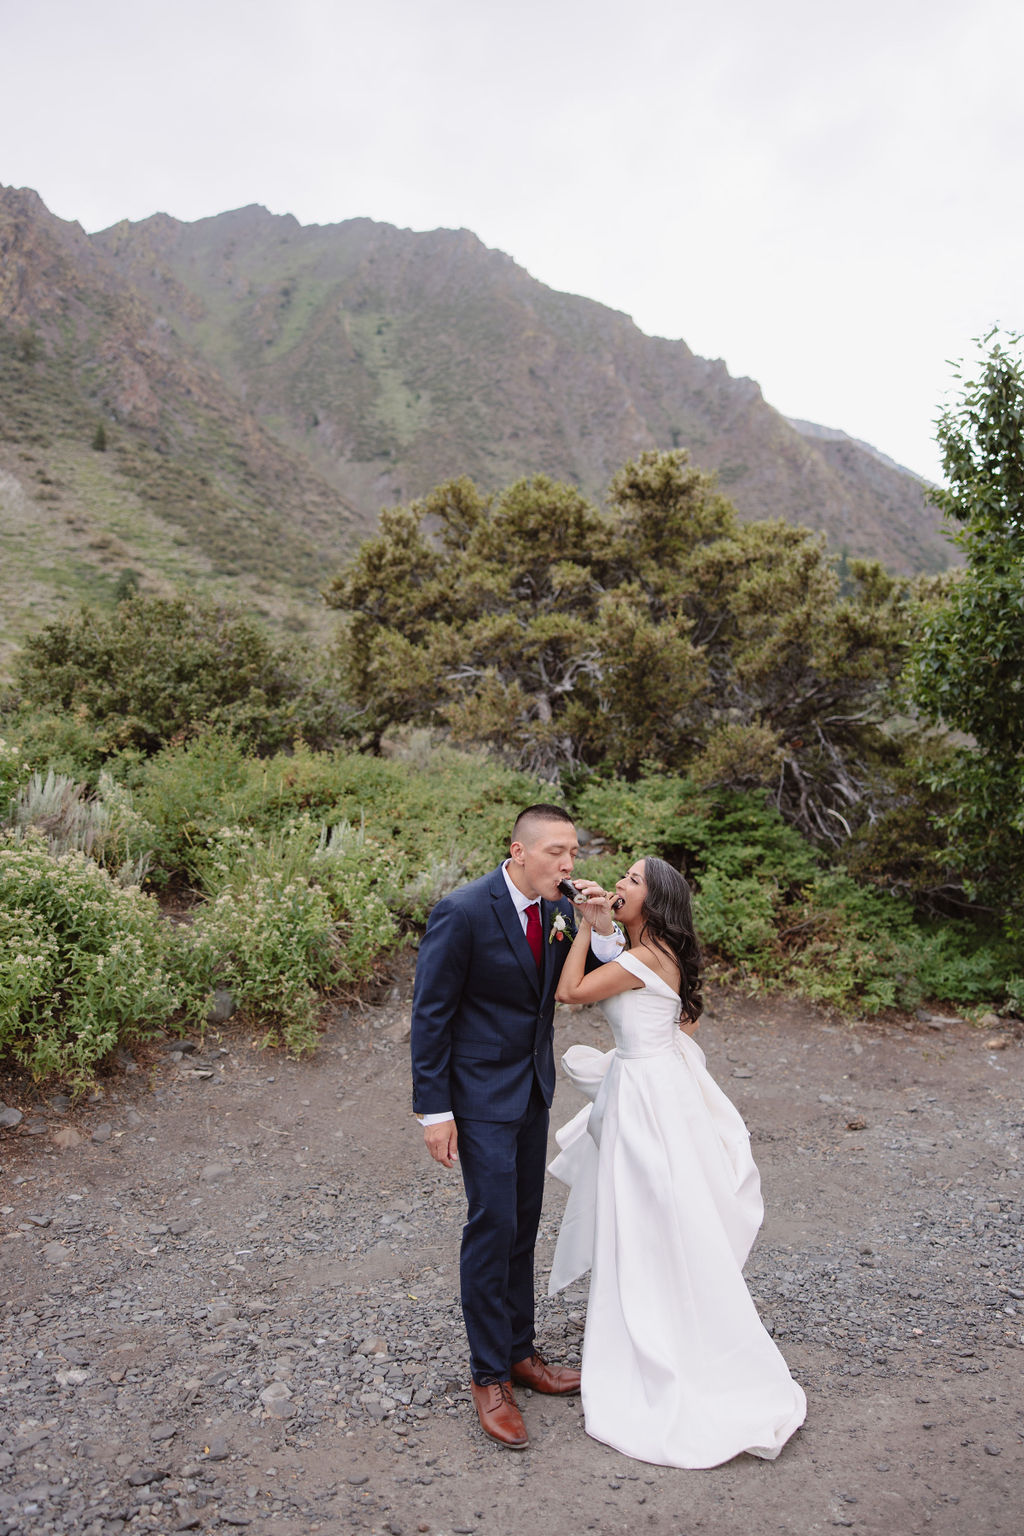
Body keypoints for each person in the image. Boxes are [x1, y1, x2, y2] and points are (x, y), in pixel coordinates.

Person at [551, 856, 806, 1468]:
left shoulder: (649, 957)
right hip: (651, 1085)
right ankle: (655, 1317)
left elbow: (569, 993)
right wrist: (603, 923)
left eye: (631, 882)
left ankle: (660, 1339)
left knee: (644, 1215)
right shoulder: (654, 950)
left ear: (655, 900)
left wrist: (585, 925)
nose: (618, 884)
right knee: (650, 1213)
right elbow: (667, 1009)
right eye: (622, 877)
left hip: (647, 1099)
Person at [410, 804, 624, 1449]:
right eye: (556, 852)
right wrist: (435, 1110)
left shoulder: (561, 911)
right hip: (476, 1096)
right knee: (492, 1223)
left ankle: (520, 1352)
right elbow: (431, 1014)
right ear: (519, 851)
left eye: (574, 853)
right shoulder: (464, 910)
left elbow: (590, 978)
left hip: (533, 1090)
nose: (567, 863)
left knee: (523, 1222)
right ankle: (487, 1375)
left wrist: (599, 923)